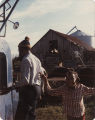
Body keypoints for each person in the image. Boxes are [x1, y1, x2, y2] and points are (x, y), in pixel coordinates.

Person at [14, 36, 45, 120]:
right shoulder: (36, 59)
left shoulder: (25, 60)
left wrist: (15, 85)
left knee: (23, 116)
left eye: (19, 50)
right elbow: (43, 74)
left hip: (29, 91)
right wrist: (41, 90)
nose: (19, 53)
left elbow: (26, 80)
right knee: (31, 115)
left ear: (22, 49)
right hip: (36, 89)